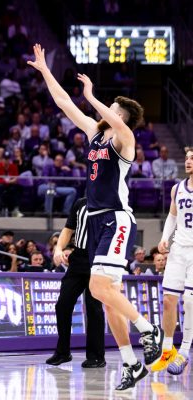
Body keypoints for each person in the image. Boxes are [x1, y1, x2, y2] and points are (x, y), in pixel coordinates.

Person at [28, 43, 162, 391]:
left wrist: (91, 93)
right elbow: (64, 103)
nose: (107, 110)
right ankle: (132, 363)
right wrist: (45, 71)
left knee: (98, 287)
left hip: (117, 219)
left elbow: (113, 117)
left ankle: (149, 329)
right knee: (105, 292)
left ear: (122, 118)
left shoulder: (125, 141)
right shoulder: (95, 134)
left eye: (114, 109)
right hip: (99, 221)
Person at [46, 198, 105, 368]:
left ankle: (96, 356)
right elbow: (68, 229)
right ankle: (63, 352)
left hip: (99, 258)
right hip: (78, 257)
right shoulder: (81, 203)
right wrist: (58, 248)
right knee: (63, 304)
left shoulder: (112, 202)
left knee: (93, 307)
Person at [153, 148, 193, 375]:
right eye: (187, 158)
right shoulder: (177, 189)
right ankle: (167, 349)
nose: (188, 162)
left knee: (189, 300)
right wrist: (163, 237)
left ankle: (184, 352)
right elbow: (173, 216)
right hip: (178, 249)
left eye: (192, 159)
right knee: (168, 300)